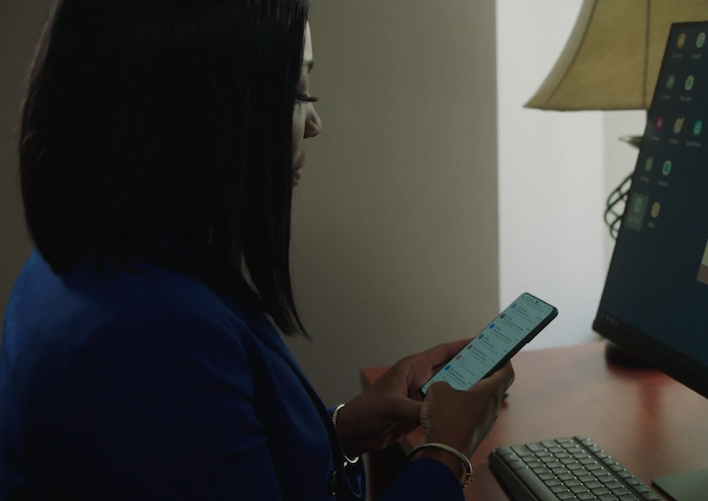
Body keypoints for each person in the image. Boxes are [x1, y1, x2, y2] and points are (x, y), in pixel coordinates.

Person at [0, 1, 514, 500]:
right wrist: (448, 449)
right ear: (202, 106)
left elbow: (201, 462)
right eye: (298, 90)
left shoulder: (77, 269)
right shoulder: (154, 334)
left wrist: (337, 429)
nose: (315, 125)